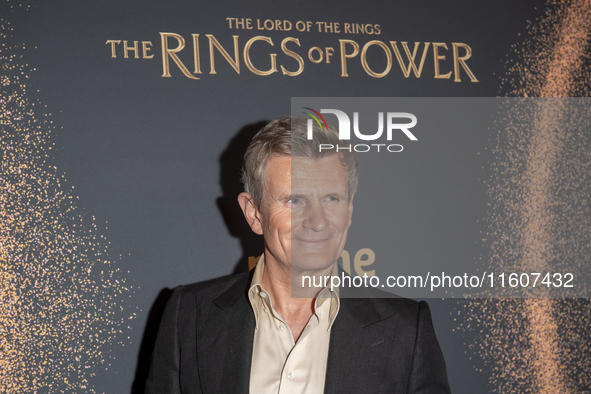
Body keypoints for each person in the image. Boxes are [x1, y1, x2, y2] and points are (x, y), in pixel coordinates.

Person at [145, 116, 450, 394]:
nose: (317, 221)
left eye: (332, 198)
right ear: (254, 213)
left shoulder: (406, 330)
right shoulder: (189, 317)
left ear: (349, 210)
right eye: (294, 200)